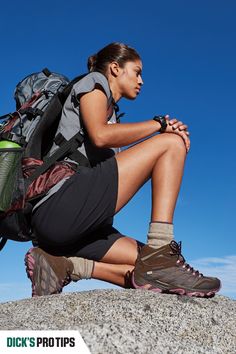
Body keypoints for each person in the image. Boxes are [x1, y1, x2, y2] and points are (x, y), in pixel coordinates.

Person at [25, 42, 221, 298]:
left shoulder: (113, 113)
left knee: (146, 272)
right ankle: (162, 250)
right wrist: (159, 125)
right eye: (137, 71)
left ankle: (65, 264)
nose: (141, 80)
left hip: (76, 229)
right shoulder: (94, 83)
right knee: (171, 144)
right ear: (115, 68)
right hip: (60, 205)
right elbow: (100, 135)